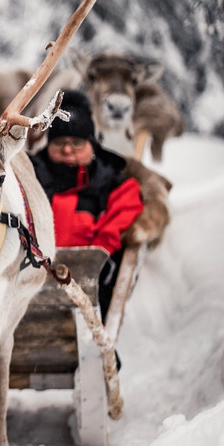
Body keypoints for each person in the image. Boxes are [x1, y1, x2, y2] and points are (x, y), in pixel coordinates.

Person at [31, 89, 144, 316]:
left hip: (90, 288)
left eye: (77, 143)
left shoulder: (113, 184)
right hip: (29, 283)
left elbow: (121, 217)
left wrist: (96, 258)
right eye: (60, 142)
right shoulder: (28, 175)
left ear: (92, 145)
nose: (67, 149)